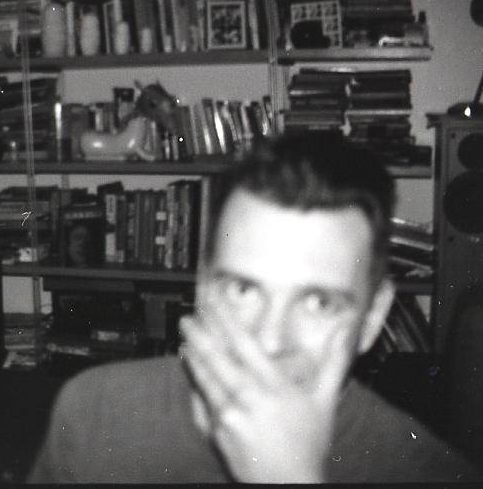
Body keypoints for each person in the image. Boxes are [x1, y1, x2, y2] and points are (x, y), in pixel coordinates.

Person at [27, 135, 481, 483]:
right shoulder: (92, 413)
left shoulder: (430, 475)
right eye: (244, 290)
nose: (268, 341)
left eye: (319, 302)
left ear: (373, 317)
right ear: (203, 288)